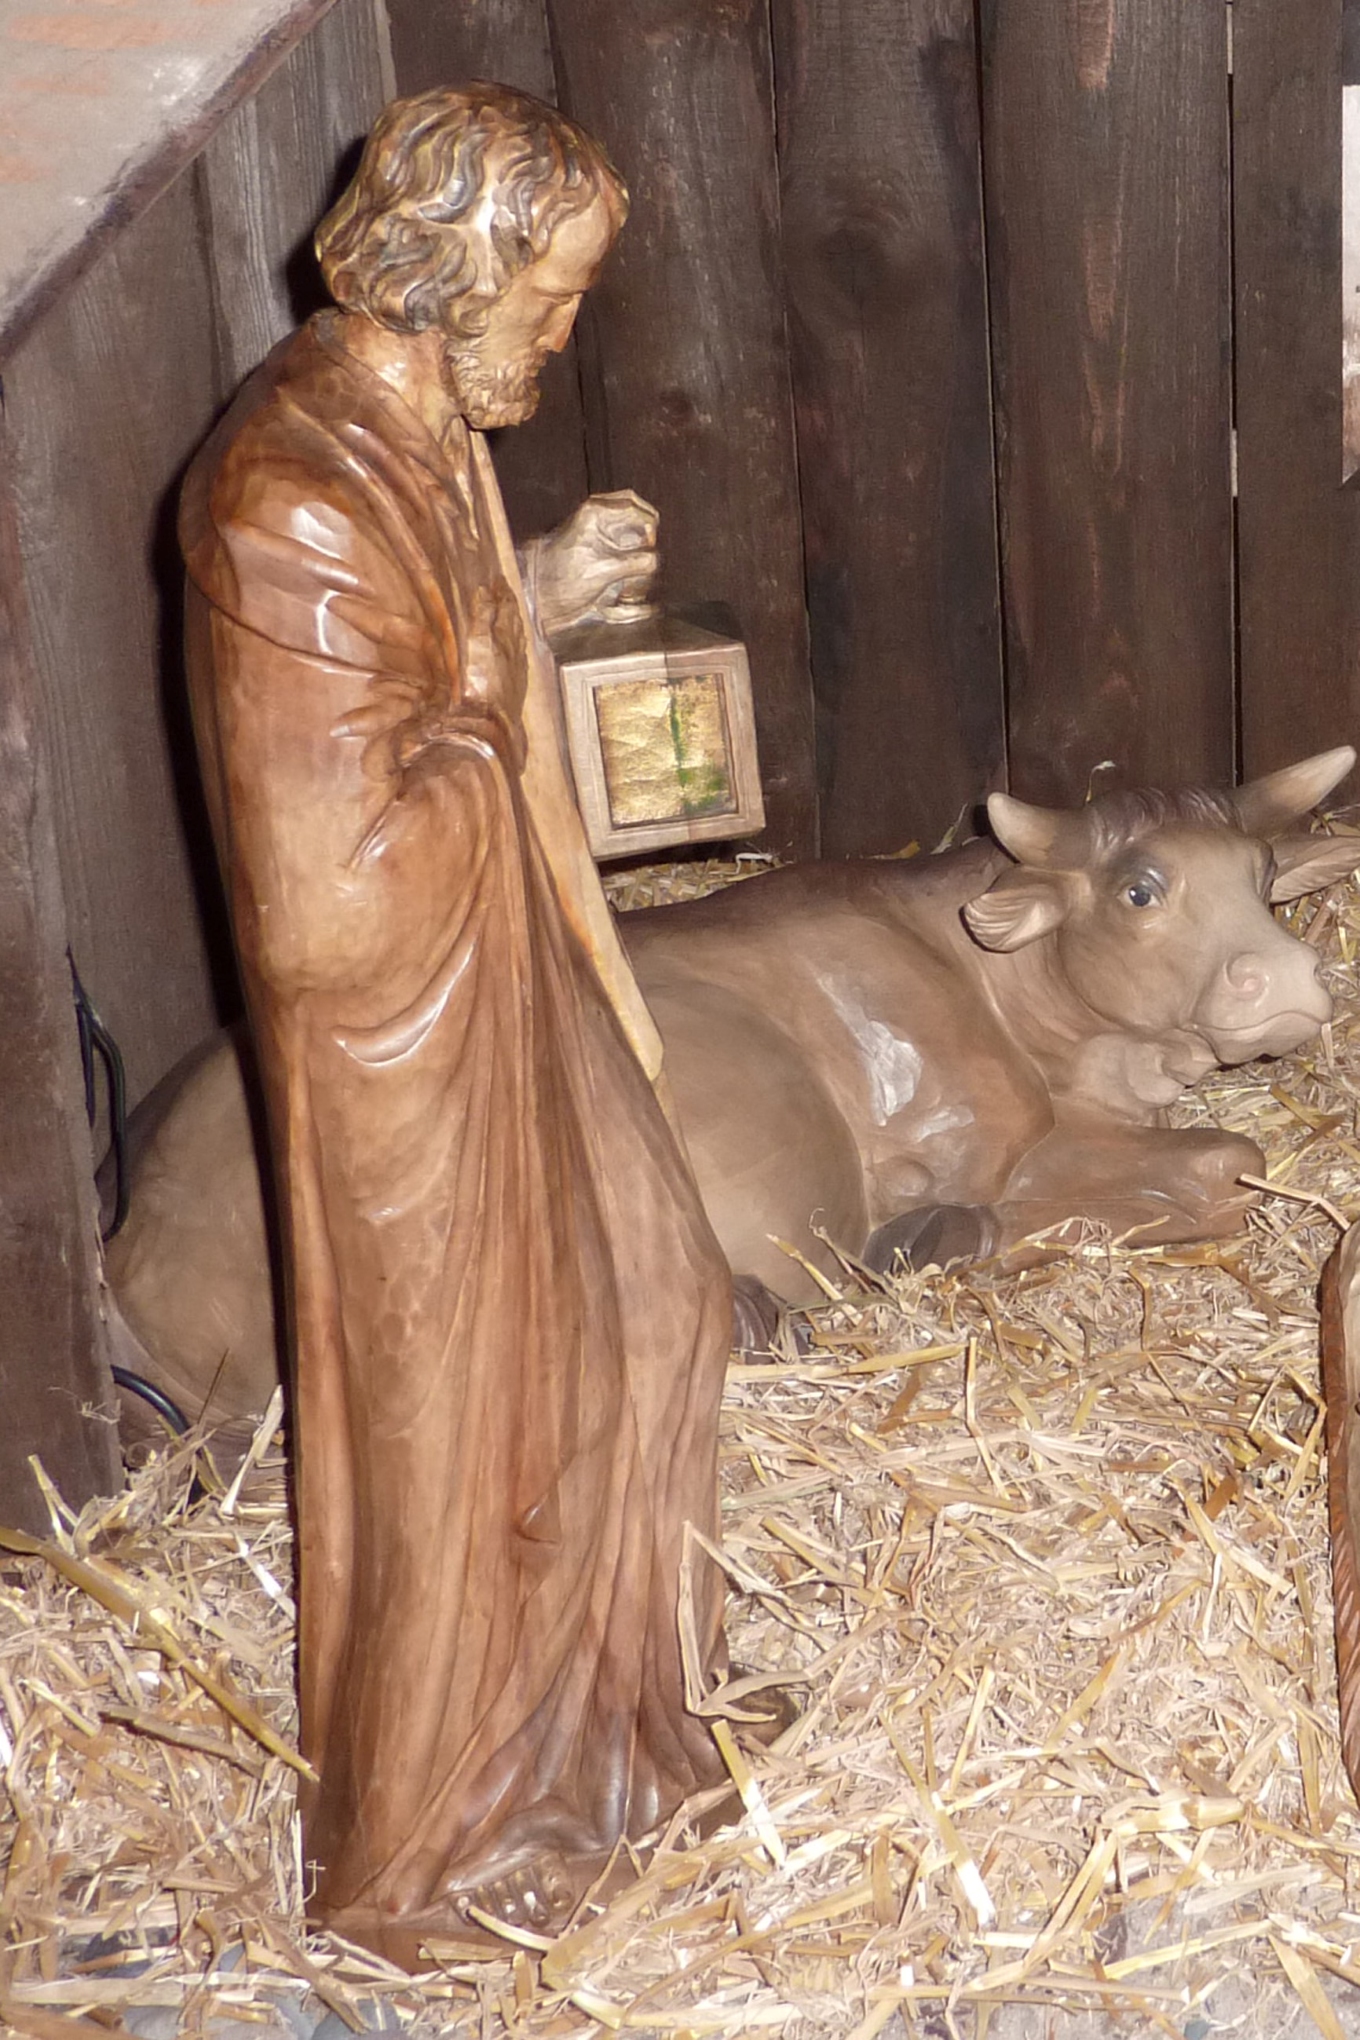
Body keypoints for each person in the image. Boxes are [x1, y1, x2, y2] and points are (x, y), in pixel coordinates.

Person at [178, 83, 732, 1958]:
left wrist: (530, 605)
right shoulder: (289, 501)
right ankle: (438, 1841)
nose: (564, 334)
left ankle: (623, 1736)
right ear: (454, 266)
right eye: (551, 294)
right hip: (411, 1050)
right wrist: (493, 715)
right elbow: (325, 910)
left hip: (513, 979)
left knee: (666, 1302)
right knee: (473, 1434)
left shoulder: (424, 424)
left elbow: (452, 652)